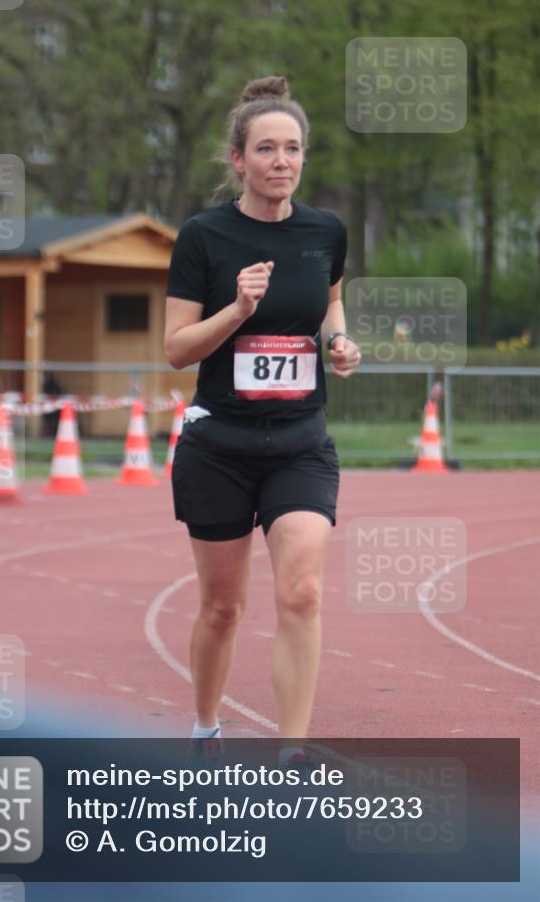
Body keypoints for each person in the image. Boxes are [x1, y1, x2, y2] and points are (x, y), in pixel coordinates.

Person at [164, 76, 361, 762]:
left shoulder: (324, 231)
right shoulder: (204, 237)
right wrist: (237, 312)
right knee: (222, 608)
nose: (282, 161)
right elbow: (174, 350)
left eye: (293, 149)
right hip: (218, 444)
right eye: (267, 149)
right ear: (238, 159)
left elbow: (328, 304)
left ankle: (292, 750)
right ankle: (205, 724)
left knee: (302, 592)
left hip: (300, 444)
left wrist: (336, 340)